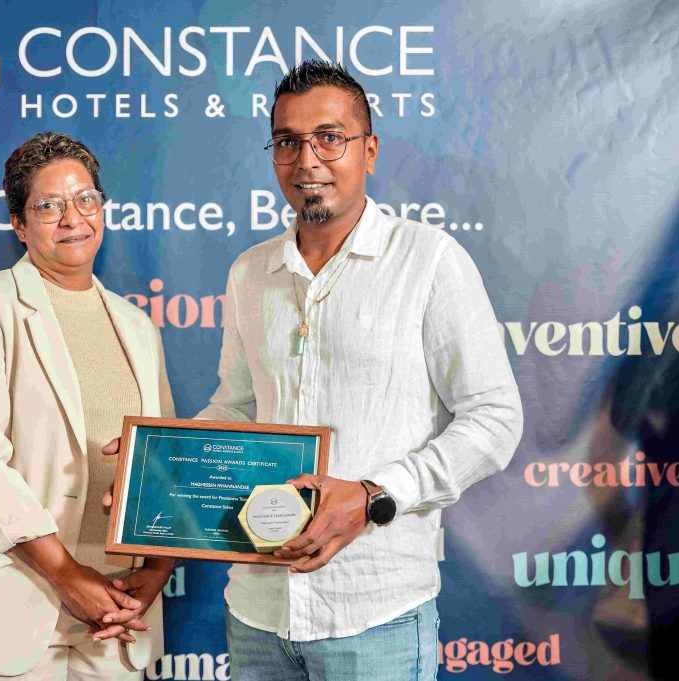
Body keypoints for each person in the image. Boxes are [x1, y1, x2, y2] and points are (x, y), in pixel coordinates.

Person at [194, 60, 524, 680]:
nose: (307, 160)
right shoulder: (249, 272)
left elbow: (494, 418)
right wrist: (160, 465)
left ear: (369, 150)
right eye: (288, 141)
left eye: (330, 137)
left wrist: (374, 496)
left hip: (376, 614)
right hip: (258, 610)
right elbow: (237, 407)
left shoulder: (428, 260)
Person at [0, 132, 176, 680]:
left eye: (86, 199)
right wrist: (67, 575)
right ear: (20, 224)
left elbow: (163, 459)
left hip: (116, 615)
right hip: (7, 607)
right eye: (49, 206)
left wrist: (158, 569)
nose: (73, 218)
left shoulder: (138, 326)